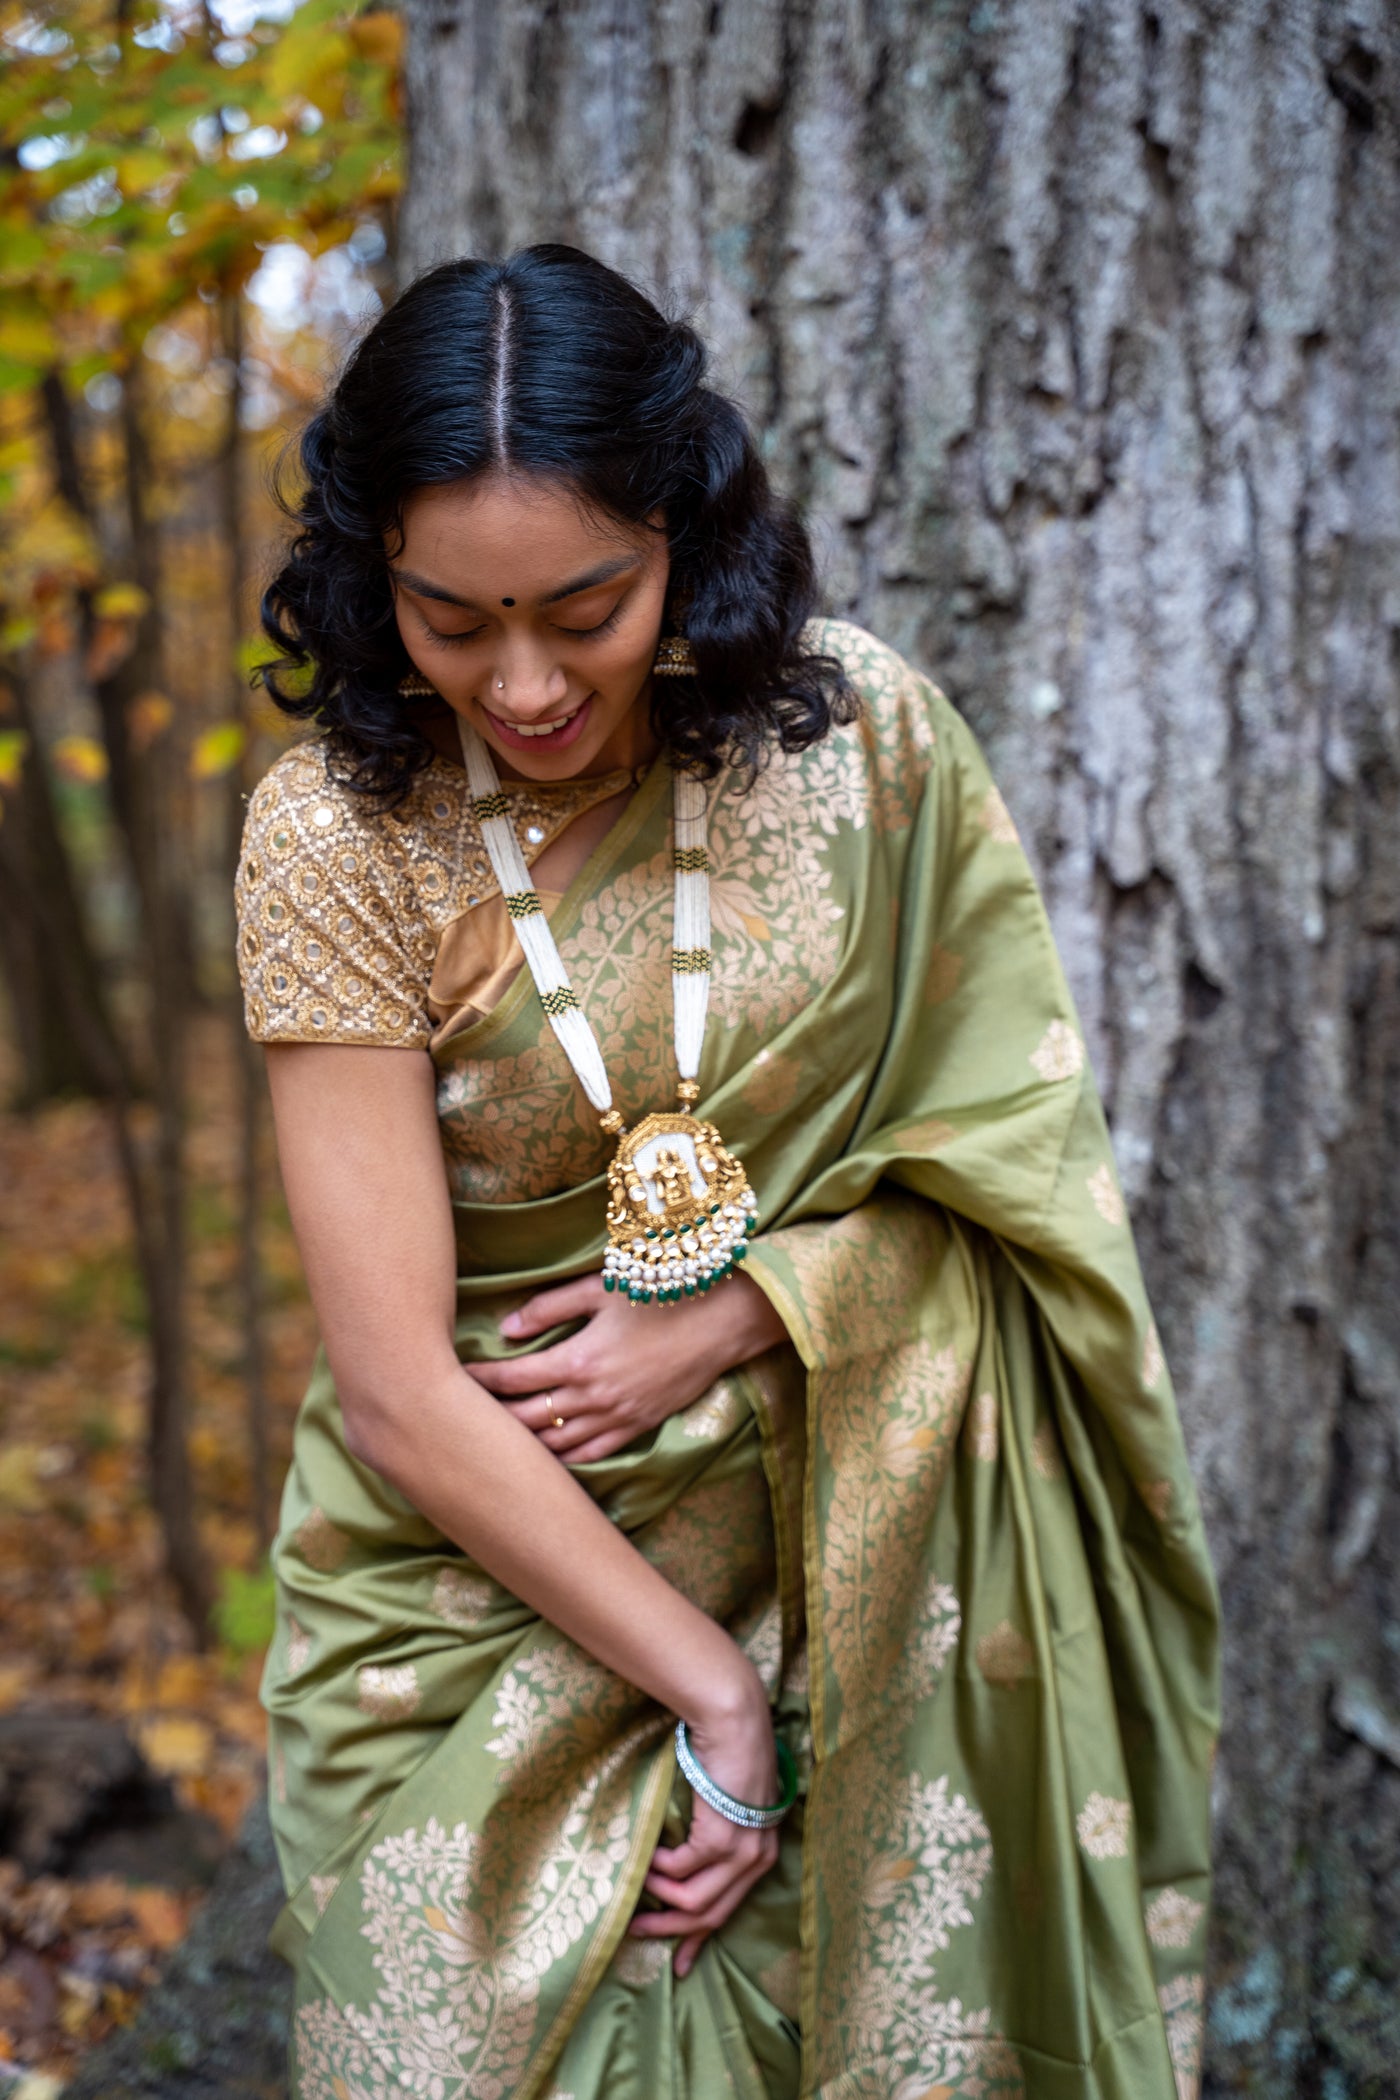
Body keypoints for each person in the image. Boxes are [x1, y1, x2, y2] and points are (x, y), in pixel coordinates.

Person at [236, 244, 1220, 2100]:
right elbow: (394, 1392)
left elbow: (1009, 1171)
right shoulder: (336, 836)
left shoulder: (859, 743)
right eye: (453, 622)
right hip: (462, 1609)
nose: (526, 682)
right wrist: (708, 1686)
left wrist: (749, 1311)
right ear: (374, 575)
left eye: (585, 607)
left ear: (683, 531)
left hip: (867, 1567)